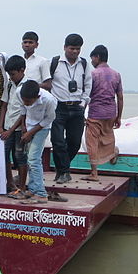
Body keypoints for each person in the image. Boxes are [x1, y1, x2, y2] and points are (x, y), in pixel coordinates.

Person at [49, 33, 92, 184]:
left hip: (77, 108)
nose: (74, 52)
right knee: (58, 141)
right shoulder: (54, 63)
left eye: (78, 49)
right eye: (72, 48)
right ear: (65, 47)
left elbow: (88, 85)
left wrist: (83, 103)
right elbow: (48, 84)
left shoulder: (84, 64)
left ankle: (62, 169)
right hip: (58, 107)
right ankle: (64, 172)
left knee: (74, 142)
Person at [84, 44, 123, 181]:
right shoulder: (116, 74)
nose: (92, 62)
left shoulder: (93, 74)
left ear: (97, 57)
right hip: (111, 112)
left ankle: (94, 173)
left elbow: (87, 95)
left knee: (92, 141)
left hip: (96, 112)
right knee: (107, 136)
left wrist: (82, 111)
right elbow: (120, 97)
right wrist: (119, 116)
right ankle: (111, 153)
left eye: (92, 59)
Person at [19, 80, 57, 204]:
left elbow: (49, 119)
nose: (26, 103)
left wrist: (31, 133)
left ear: (38, 97)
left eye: (29, 102)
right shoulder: (21, 92)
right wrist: (24, 128)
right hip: (29, 125)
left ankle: (41, 194)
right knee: (29, 158)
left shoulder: (49, 100)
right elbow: (23, 111)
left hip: (42, 127)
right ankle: (33, 188)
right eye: (24, 100)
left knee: (34, 159)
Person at [1, 56, 29, 197]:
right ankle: (10, 183)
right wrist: (1, 127)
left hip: (18, 128)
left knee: (20, 156)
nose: (11, 77)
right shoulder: (10, 84)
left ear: (22, 70)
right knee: (4, 155)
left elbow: (24, 111)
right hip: (7, 125)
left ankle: (22, 187)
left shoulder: (27, 85)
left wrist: (11, 130)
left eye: (13, 74)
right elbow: (4, 105)